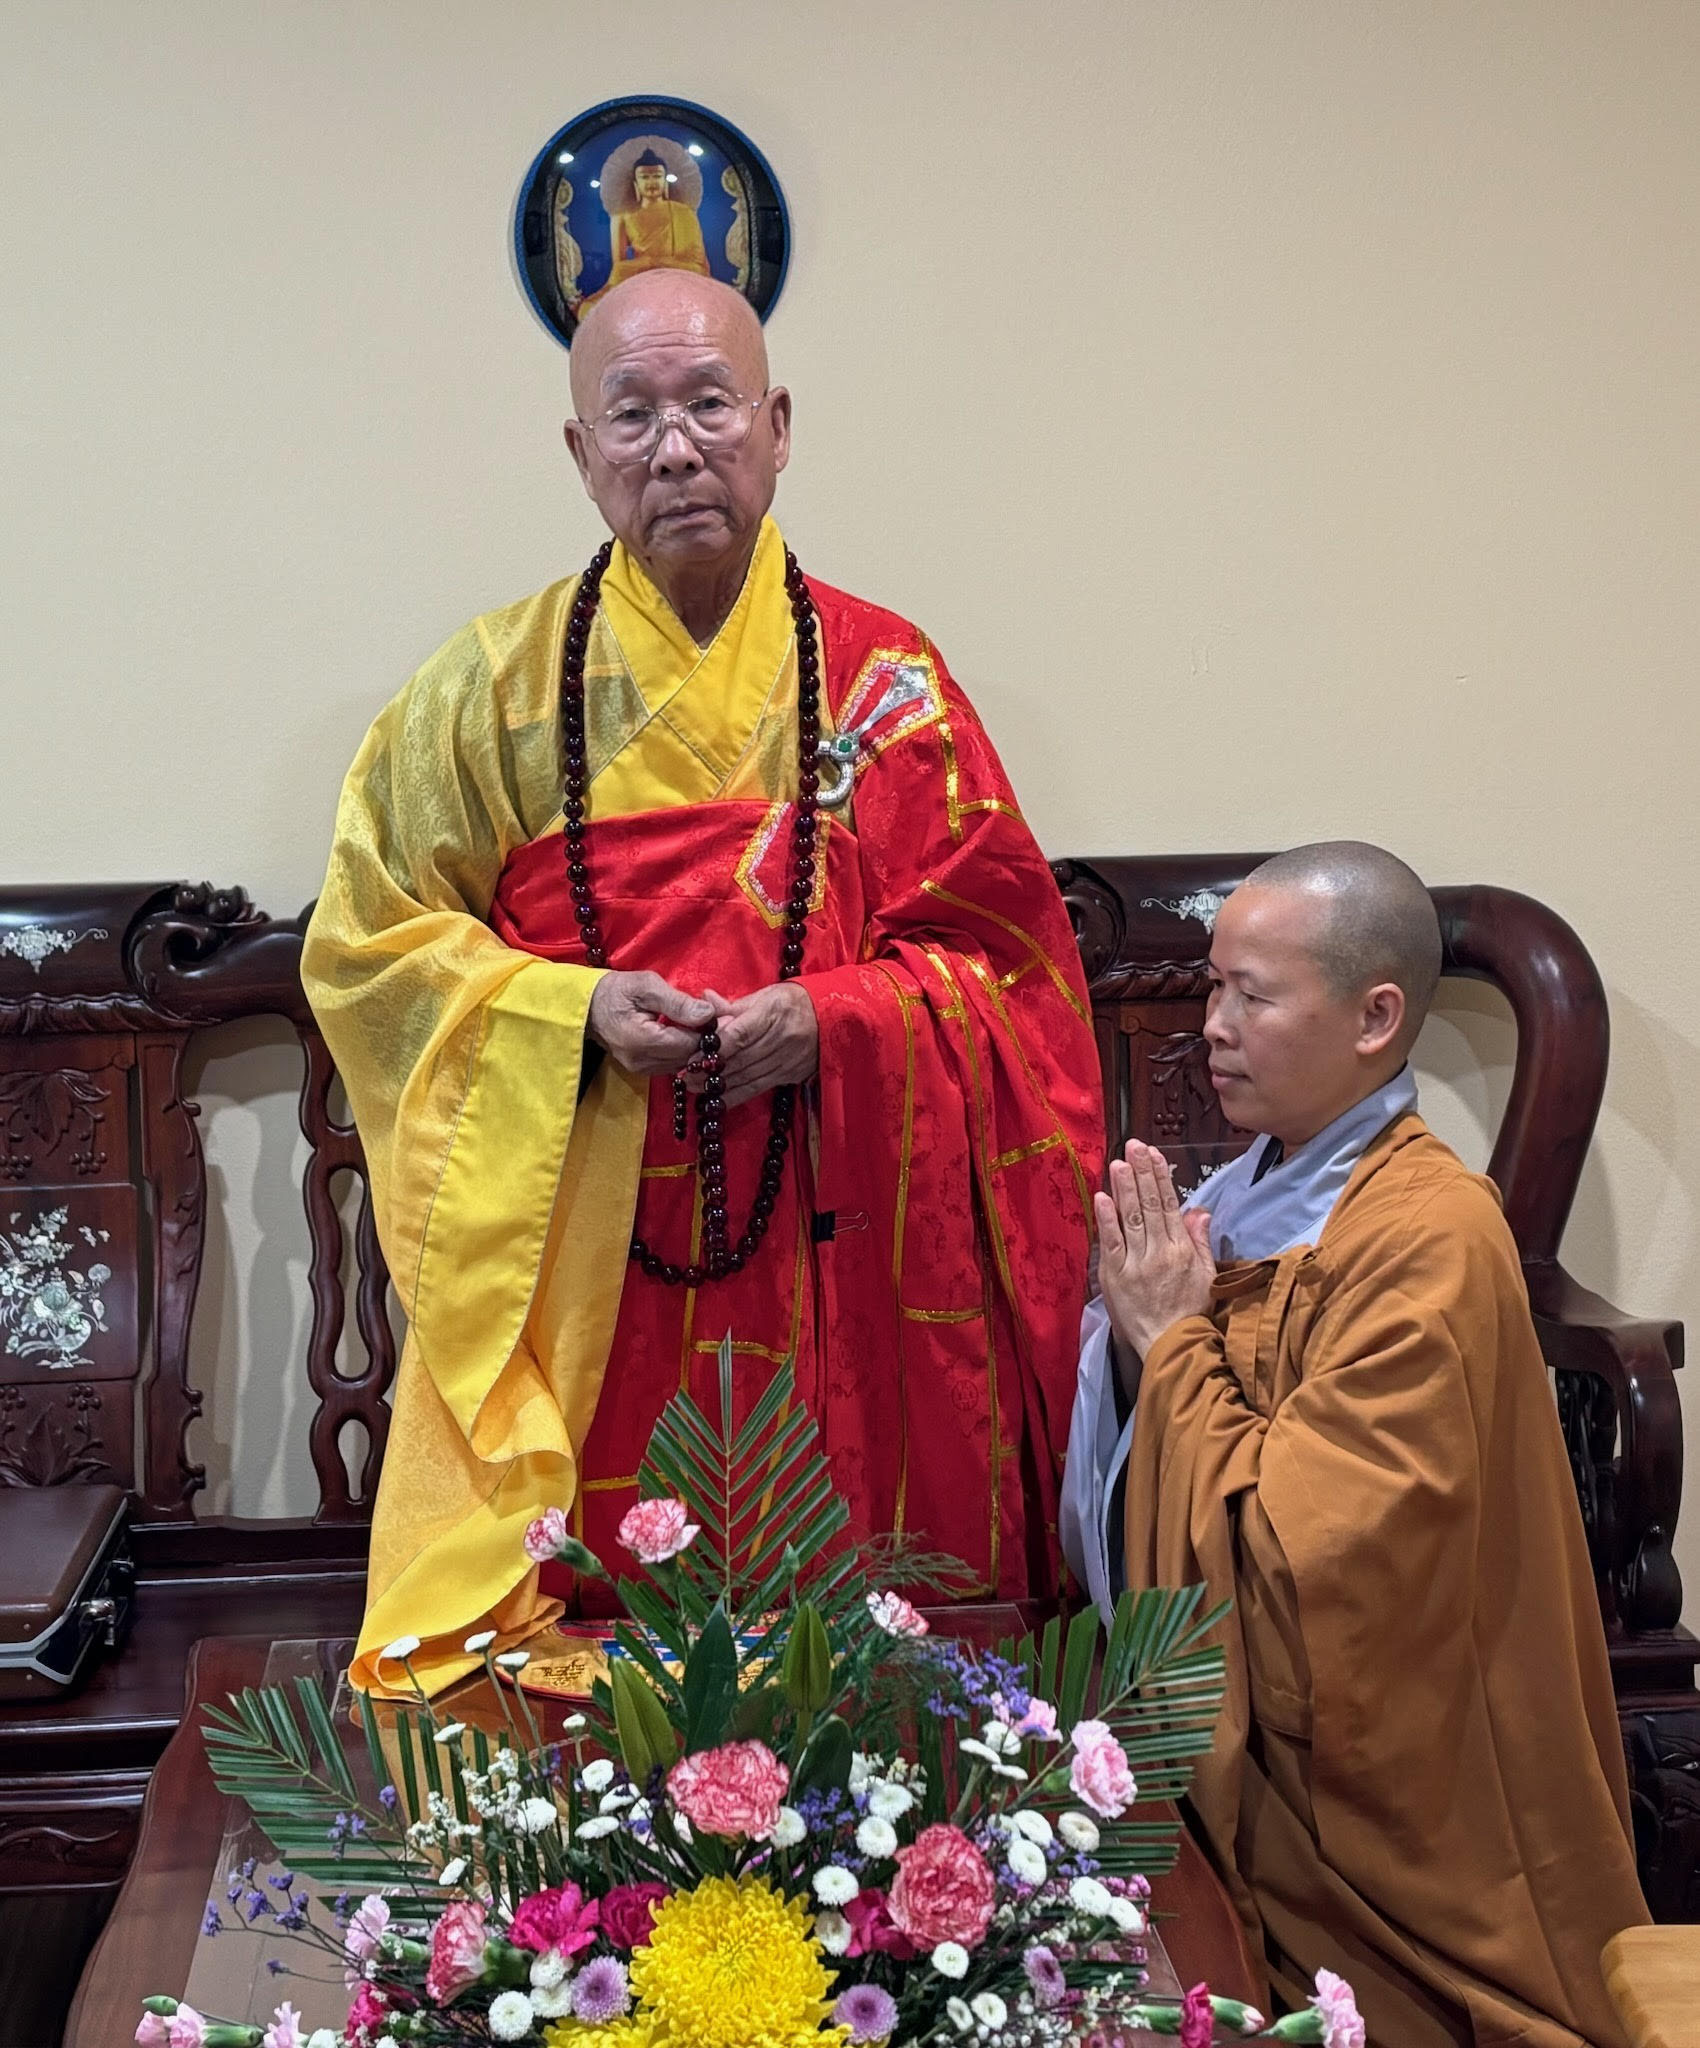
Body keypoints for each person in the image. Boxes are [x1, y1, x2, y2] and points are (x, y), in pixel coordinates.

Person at [303, 270, 1102, 1697]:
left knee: (839, 1656)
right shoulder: (489, 690)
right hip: (586, 1245)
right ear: (580, 452)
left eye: (710, 406)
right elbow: (368, 948)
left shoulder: (887, 685)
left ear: (777, 428)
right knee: (587, 1642)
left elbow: (1009, 976)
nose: (674, 448)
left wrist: (836, 1017)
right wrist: (569, 1013)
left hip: (831, 1233)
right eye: (632, 416)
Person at [1062, 842, 1646, 2048]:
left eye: (1251, 995)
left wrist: (1168, 1341)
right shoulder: (1239, 1198)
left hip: (1389, 1813)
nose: (1210, 1025)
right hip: (1240, 1766)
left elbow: (1310, 1566)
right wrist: (1138, 1340)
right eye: (1211, 987)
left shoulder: (1429, 1239)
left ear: (1375, 1017)